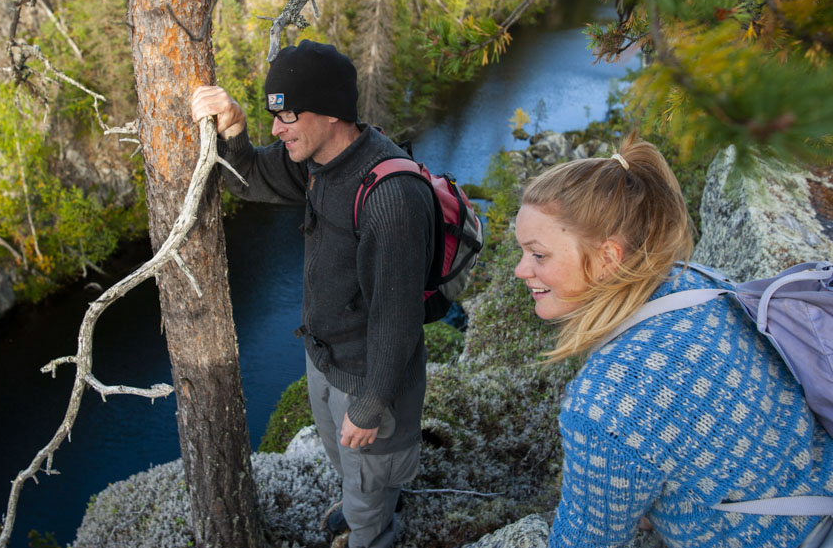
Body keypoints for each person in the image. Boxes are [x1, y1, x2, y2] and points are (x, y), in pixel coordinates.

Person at [513, 133, 833, 548]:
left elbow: (585, 542)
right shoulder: (695, 284)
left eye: (539, 255)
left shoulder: (603, 411)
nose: (521, 270)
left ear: (609, 258)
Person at [190, 40, 435, 548]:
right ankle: (362, 502)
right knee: (345, 461)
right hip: (325, 358)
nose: (277, 129)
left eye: (288, 116)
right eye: (272, 116)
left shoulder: (391, 196)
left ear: (330, 112)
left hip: (371, 375)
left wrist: (370, 406)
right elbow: (247, 179)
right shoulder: (315, 161)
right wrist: (233, 127)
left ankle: (376, 530)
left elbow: (397, 318)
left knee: (369, 483)